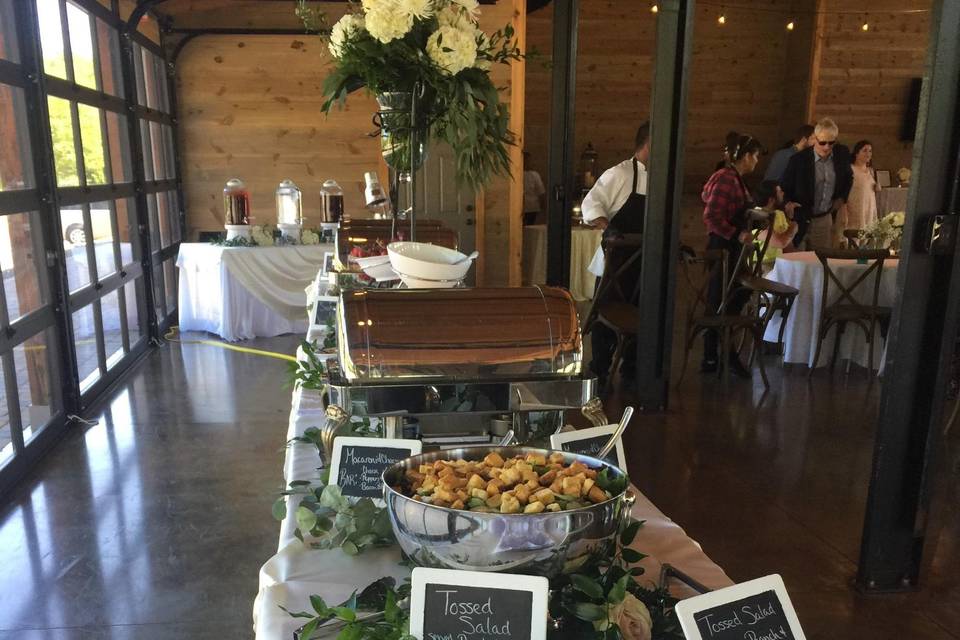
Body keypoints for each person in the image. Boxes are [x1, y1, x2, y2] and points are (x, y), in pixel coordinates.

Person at [581, 121, 650, 385]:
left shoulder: (658, 178)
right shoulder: (620, 174)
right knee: (606, 314)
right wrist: (606, 227)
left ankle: (631, 368)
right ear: (649, 143)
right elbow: (591, 204)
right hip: (617, 260)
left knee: (641, 313)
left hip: (645, 260)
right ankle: (599, 368)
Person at [700, 134, 763, 377]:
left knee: (728, 300)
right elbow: (712, 216)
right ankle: (715, 356)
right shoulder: (727, 179)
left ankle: (718, 355)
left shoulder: (733, 179)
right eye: (755, 156)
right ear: (746, 156)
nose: (757, 161)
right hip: (723, 249)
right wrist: (736, 234)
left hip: (729, 249)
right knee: (721, 303)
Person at [781, 117, 853, 249]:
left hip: (824, 218)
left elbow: (849, 177)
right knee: (798, 261)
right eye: (822, 142)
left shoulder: (841, 155)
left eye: (831, 143)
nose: (826, 147)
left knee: (820, 261)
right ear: (815, 138)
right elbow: (784, 186)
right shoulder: (799, 160)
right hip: (800, 217)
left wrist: (842, 198)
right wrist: (787, 203)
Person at [751, 180, 799, 267]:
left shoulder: (779, 214)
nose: (783, 193)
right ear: (771, 200)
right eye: (780, 192)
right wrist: (793, 227)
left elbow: (788, 246)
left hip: (779, 262)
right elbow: (781, 243)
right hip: (761, 265)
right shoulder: (756, 216)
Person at [839, 140, 879, 237]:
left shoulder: (870, 171)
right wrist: (844, 210)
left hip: (868, 209)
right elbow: (843, 191)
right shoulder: (850, 169)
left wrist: (877, 187)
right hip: (854, 210)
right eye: (864, 150)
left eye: (870, 151)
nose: (868, 153)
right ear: (857, 153)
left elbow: (870, 189)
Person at [522, 151, 546, 225]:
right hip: (529, 207)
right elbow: (541, 192)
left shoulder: (534, 175)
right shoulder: (534, 175)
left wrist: (543, 204)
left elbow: (541, 192)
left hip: (531, 207)